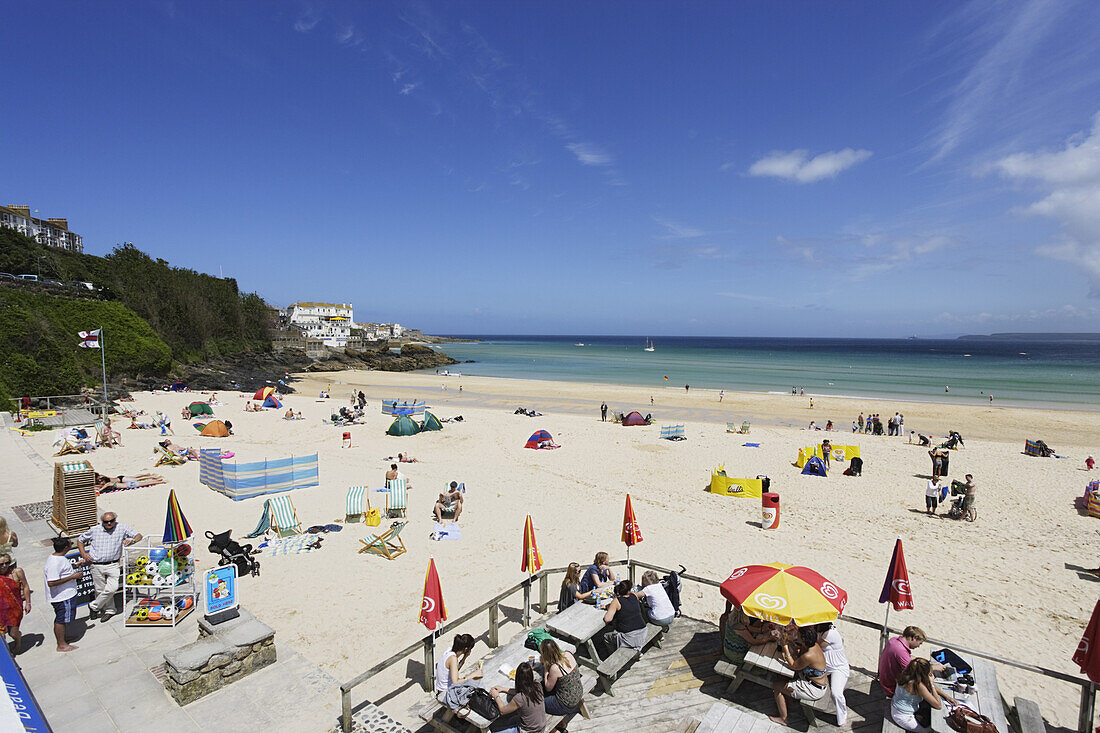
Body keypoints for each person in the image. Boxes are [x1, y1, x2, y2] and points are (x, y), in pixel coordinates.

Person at [76, 512, 142, 621]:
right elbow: (80, 540)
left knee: (112, 588)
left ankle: (94, 606)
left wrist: (132, 540)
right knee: (100, 590)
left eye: (111, 521)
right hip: (96, 564)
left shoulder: (122, 528)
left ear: (115, 520)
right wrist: (83, 554)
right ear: (103, 522)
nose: (109, 523)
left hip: (113, 564)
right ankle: (110, 610)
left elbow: (138, 535)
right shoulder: (94, 530)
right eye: (106, 522)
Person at [768, 626, 828, 724]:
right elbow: (799, 654)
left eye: (798, 635)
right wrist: (790, 642)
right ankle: (789, 699)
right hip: (814, 682)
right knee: (783, 678)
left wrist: (785, 647)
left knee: (777, 685)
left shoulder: (809, 655)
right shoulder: (814, 646)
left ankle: (783, 718)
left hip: (813, 688)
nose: (797, 636)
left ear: (803, 639)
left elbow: (793, 665)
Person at [891, 657, 958, 731]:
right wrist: (932, 684)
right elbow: (938, 705)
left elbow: (927, 684)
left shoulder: (907, 674)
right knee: (930, 730)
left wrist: (946, 696)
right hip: (904, 717)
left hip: (896, 707)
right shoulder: (917, 685)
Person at [44, 537, 84, 651]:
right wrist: (73, 576)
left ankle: (63, 637)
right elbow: (51, 582)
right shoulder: (54, 562)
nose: (72, 544)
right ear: (66, 547)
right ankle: (61, 644)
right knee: (61, 619)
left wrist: (74, 566)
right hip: (62, 597)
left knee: (65, 618)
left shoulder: (59, 558)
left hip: (67, 594)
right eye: (71, 543)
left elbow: (62, 571)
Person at [878, 626, 942, 696]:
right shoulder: (901, 651)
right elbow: (914, 672)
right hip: (891, 688)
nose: (918, 646)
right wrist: (932, 667)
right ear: (914, 638)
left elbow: (906, 658)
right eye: (919, 643)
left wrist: (927, 663)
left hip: (884, 680)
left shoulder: (894, 640)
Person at [489, 661, 544, 733]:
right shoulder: (537, 686)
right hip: (540, 726)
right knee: (511, 719)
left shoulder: (520, 698)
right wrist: (503, 689)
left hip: (530, 731)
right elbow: (523, 690)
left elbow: (503, 710)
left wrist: (496, 696)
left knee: (494, 729)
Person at [816, 622, 850, 726]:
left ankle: (842, 717)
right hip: (826, 667)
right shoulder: (823, 631)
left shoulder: (830, 634)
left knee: (836, 693)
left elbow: (818, 645)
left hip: (837, 668)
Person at [540, 638, 583, 716]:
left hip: (565, 704)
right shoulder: (568, 654)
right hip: (578, 693)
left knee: (537, 703)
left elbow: (548, 688)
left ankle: (559, 724)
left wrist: (546, 670)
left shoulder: (555, 668)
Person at [602, 580, 647, 651]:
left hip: (629, 637)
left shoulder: (616, 601)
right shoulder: (634, 595)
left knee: (606, 636)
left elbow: (607, 619)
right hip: (643, 632)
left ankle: (614, 656)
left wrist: (610, 607)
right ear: (629, 590)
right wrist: (610, 606)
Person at [0, 552, 30, 652]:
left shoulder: (17, 572)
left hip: (14, 608)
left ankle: (18, 641)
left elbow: (25, 586)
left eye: (6, 563)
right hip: (1, 609)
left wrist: (28, 603)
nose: (4, 566)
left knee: (13, 633)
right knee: (2, 633)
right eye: (1, 564)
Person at [95, 473, 165, 492]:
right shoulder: (104, 479)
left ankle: (153, 478)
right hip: (121, 480)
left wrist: (99, 491)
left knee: (138, 479)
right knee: (137, 478)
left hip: (123, 480)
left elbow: (103, 487)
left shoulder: (108, 483)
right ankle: (154, 479)